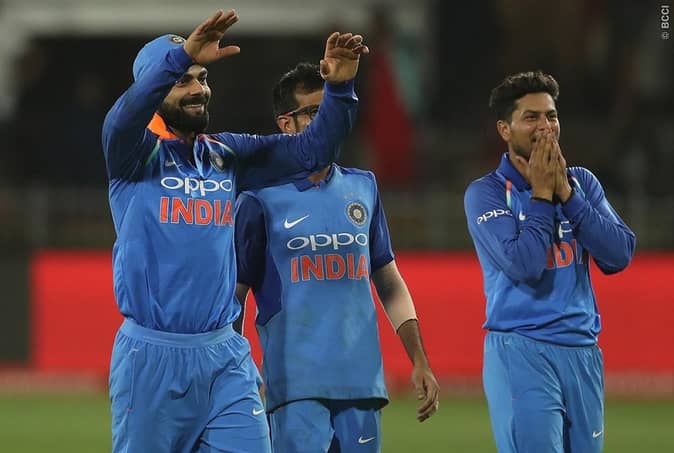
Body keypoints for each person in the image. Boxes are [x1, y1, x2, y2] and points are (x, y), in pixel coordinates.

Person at [101, 8, 369, 453]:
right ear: (155, 87)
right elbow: (122, 118)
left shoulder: (226, 154)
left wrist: (340, 89)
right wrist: (180, 55)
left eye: (202, 78)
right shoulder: (132, 156)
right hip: (151, 358)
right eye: (183, 80)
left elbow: (313, 151)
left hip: (224, 356)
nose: (198, 89)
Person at [234, 62, 440, 453]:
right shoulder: (259, 199)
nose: (327, 120)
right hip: (294, 389)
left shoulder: (363, 187)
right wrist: (237, 372)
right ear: (286, 124)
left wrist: (419, 358)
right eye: (314, 112)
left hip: (362, 384)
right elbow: (236, 296)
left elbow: (389, 282)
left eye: (330, 109)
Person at [464, 70, 636, 453]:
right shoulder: (486, 194)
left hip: (583, 349)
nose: (545, 127)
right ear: (505, 129)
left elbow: (620, 253)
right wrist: (543, 196)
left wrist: (568, 196)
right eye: (531, 117)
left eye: (551, 116)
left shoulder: (582, 183)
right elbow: (524, 265)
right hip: (522, 348)